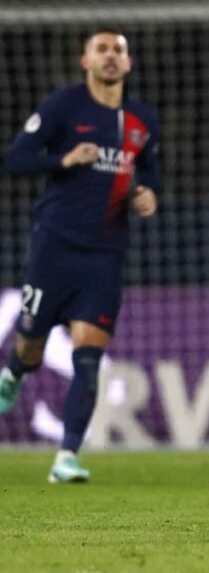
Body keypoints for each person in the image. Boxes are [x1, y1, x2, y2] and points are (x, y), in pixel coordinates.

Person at [0, 28, 161, 483]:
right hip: (54, 247)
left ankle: (66, 457)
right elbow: (16, 159)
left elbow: (150, 172)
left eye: (119, 51)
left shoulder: (142, 119)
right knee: (29, 343)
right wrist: (64, 159)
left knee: (87, 357)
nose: (111, 57)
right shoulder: (63, 107)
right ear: (84, 61)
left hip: (104, 256)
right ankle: (12, 374)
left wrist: (148, 194)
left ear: (128, 64)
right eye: (102, 50)